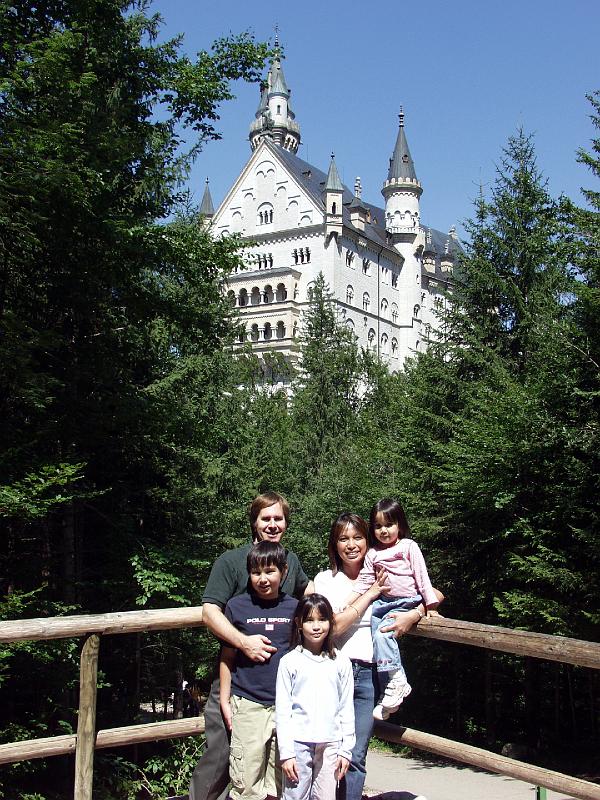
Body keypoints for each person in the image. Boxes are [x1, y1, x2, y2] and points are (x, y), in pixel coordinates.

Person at [189, 491, 312, 800]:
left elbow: (312, 596)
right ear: (254, 522)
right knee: (220, 756)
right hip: (237, 677)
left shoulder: (290, 561)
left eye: (278, 518)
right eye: (265, 518)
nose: (272, 524)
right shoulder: (231, 561)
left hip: (278, 687)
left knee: (274, 769)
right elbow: (210, 611)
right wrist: (243, 642)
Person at [314, 512, 442, 800]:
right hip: (334, 672)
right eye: (343, 539)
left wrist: (415, 613)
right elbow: (330, 629)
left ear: (367, 539)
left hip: (370, 674)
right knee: (326, 748)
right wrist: (370, 594)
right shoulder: (325, 580)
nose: (351, 545)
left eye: (358, 537)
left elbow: (434, 592)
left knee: (356, 755)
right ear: (334, 545)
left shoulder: (386, 568)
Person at [349, 498, 440, 721]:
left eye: (389, 525)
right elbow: (364, 582)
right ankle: (388, 690)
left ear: (399, 525)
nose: (384, 530)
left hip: (406, 601)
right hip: (383, 602)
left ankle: (398, 679)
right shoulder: (372, 554)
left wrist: (431, 607)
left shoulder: (408, 547)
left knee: (383, 635)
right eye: (378, 526)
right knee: (375, 637)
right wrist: (349, 602)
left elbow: (423, 578)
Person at [220, 541, 298, 800]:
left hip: (285, 706)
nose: (263, 579)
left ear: (283, 572)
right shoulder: (236, 606)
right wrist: (225, 699)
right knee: (246, 780)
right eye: (256, 573)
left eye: (270, 571)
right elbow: (227, 656)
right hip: (247, 702)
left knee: (280, 780)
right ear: (249, 573)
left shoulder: (295, 608)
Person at [275, 594, 355, 800]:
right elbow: (283, 711)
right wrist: (287, 753)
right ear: (299, 624)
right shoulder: (289, 662)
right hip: (298, 744)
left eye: (322, 619)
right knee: (295, 795)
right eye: (309, 620)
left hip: (331, 744)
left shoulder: (341, 662)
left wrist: (346, 750)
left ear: (331, 622)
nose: (317, 626)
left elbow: (346, 706)